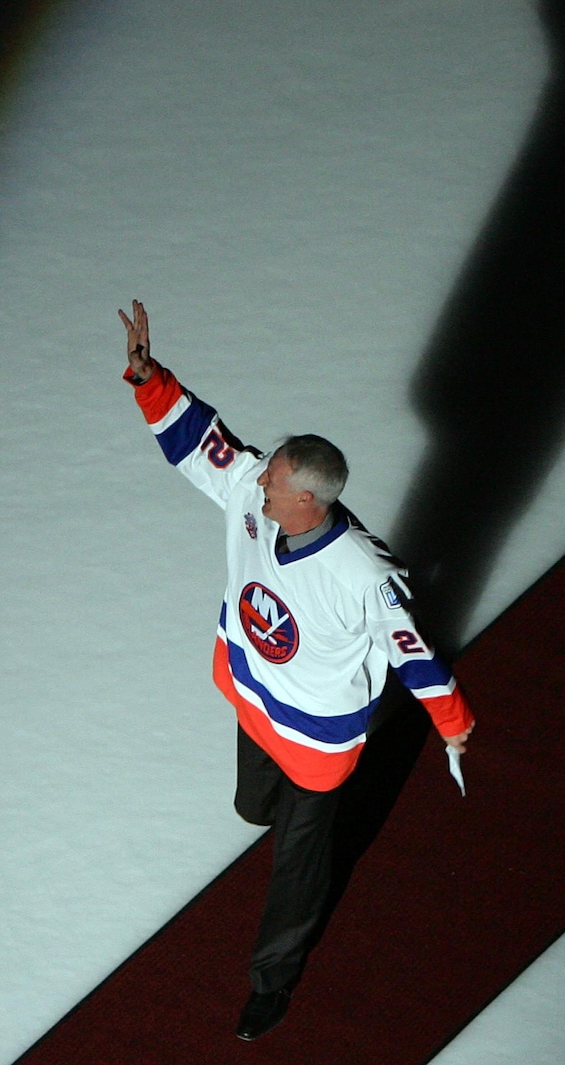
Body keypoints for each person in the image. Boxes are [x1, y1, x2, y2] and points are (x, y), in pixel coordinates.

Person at [118, 300, 475, 1041]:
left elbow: (415, 654)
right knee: (253, 808)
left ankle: (271, 983)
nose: (260, 479)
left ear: (307, 499)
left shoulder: (364, 576)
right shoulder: (255, 494)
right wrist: (150, 380)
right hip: (254, 695)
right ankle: (287, 828)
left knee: (296, 869)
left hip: (316, 740)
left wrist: (454, 723)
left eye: (275, 478)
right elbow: (203, 443)